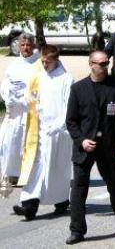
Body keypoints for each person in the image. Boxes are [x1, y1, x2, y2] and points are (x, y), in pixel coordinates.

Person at [65, 50, 115, 244]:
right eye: (101, 64)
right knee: (79, 189)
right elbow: (71, 121)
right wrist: (81, 140)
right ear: (91, 65)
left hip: (109, 146)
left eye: (106, 63)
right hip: (84, 147)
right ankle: (77, 230)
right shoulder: (78, 89)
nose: (104, 67)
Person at [12, 45, 72, 221]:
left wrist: (59, 125)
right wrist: (21, 99)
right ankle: (29, 205)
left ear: (56, 60)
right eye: (43, 61)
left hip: (57, 133)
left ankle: (61, 201)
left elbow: (69, 106)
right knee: (34, 167)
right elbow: (30, 97)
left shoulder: (66, 79)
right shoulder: (38, 76)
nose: (45, 65)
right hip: (37, 130)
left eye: (48, 62)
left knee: (55, 169)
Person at [0, 33, 38, 184]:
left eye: (28, 45)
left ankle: (29, 174)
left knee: (29, 143)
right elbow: (5, 85)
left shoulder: (39, 63)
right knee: (11, 142)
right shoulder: (14, 65)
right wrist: (10, 95)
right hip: (15, 112)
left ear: (33, 46)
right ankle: (12, 174)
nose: (25, 48)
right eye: (22, 45)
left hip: (31, 111)